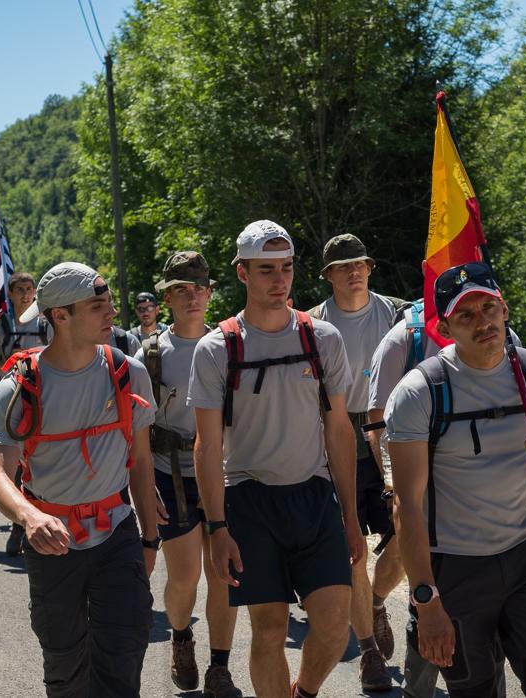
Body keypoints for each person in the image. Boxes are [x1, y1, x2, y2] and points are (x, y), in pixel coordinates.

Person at [385, 263, 526, 697]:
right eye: (466, 315)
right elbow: (407, 506)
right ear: (445, 327)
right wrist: (426, 600)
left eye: (488, 307)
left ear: (504, 307)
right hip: (455, 570)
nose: (483, 322)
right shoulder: (419, 393)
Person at [189, 220, 364, 698]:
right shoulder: (217, 349)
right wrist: (216, 528)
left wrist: (350, 516)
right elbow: (205, 446)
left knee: (334, 626)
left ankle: (302, 693)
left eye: (285, 268)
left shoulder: (322, 339)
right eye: (266, 270)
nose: (279, 280)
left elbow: (340, 430)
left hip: (312, 496)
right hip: (249, 499)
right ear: (242, 273)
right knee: (269, 628)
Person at [0, 262, 161, 697]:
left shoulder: (128, 372)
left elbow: (139, 461)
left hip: (116, 533)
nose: (112, 314)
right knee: (65, 667)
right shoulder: (20, 386)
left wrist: (150, 539)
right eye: (98, 306)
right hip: (52, 544)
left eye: (109, 303)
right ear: (60, 316)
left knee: (123, 656)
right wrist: (29, 517)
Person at [138, 252, 243, 698]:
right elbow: (137, 430)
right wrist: (144, 493)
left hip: (223, 472)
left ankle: (220, 665)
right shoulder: (150, 354)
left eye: (199, 288)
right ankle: (181, 636)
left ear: (210, 293)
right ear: (167, 297)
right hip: (171, 476)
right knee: (184, 576)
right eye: (181, 289)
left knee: (224, 574)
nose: (192, 296)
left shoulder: (228, 344)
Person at [307, 233, 403, 691]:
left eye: (361, 263)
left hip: (391, 434)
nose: (355, 271)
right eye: (344, 266)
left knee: (411, 531)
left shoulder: (399, 314)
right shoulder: (311, 325)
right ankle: (368, 651)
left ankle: (378, 600)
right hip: (338, 434)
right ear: (328, 276)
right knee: (354, 549)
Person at [0, 272, 53, 555]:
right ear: (9, 294)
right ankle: (18, 525)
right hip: (10, 400)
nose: (25, 294)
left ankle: (34, 521)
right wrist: (7, 361)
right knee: (13, 464)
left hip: (43, 397)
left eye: (30, 289)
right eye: (19, 289)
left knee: (38, 460)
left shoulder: (48, 323)